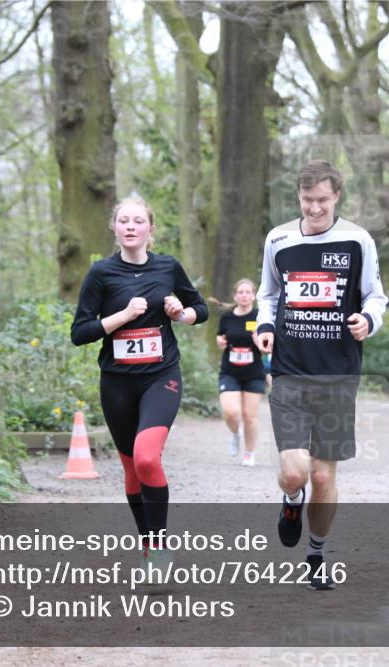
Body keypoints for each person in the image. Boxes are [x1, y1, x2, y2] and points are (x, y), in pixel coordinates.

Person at [255, 160, 388, 590]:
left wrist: (368, 319)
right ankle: (290, 501)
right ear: (299, 197)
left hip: (337, 374)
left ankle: (316, 553)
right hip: (290, 371)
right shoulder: (279, 239)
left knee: (324, 476)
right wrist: (265, 325)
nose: (315, 209)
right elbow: (269, 294)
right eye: (308, 200)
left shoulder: (357, 239)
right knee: (295, 472)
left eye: (323, 201)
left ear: (336, 198)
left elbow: (376, 295)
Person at [70, 194, 208, 565]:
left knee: (148, 458)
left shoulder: (167, 267)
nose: (130, 227)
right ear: (114, 228)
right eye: (123, 221)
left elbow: (202, 309)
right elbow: (80, 332)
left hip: (161, 376)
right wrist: (122, 317)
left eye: (138, 221)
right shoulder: (101, 273)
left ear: (150, 229)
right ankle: (148, 544)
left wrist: (181, 314)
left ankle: (160, 551)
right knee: (132, 469)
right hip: (117, 383)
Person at [215, 278, 266, 467]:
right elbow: (221, 338)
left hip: (253, 372)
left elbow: (268, 347)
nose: (244, 295)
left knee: (249, 415)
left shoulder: (260, 316)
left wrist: (260, 342)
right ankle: (236, 434)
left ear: (253, 295)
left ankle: (250, 453)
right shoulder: (227, 317)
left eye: (248, 292)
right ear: (235, 296)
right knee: (231, 412)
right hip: (230, 371)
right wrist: (220, 343)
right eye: (241, 292)